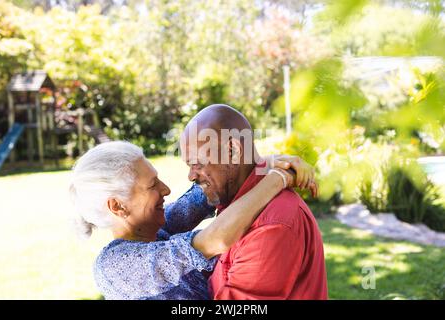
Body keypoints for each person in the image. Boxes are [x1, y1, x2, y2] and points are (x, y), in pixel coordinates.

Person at [69, 140, 315, 299]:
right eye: (152, 185)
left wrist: (271, 162)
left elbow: (209, 190)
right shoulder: (114, 266)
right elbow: (216, 240)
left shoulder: (157, 231)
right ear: (118, 206)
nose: (166, 190)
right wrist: (277, 178)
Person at [181, 104, 328, 300]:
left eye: (196, 163)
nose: (191, 176)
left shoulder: (272, 226)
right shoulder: (235, 200)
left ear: (232, 151)